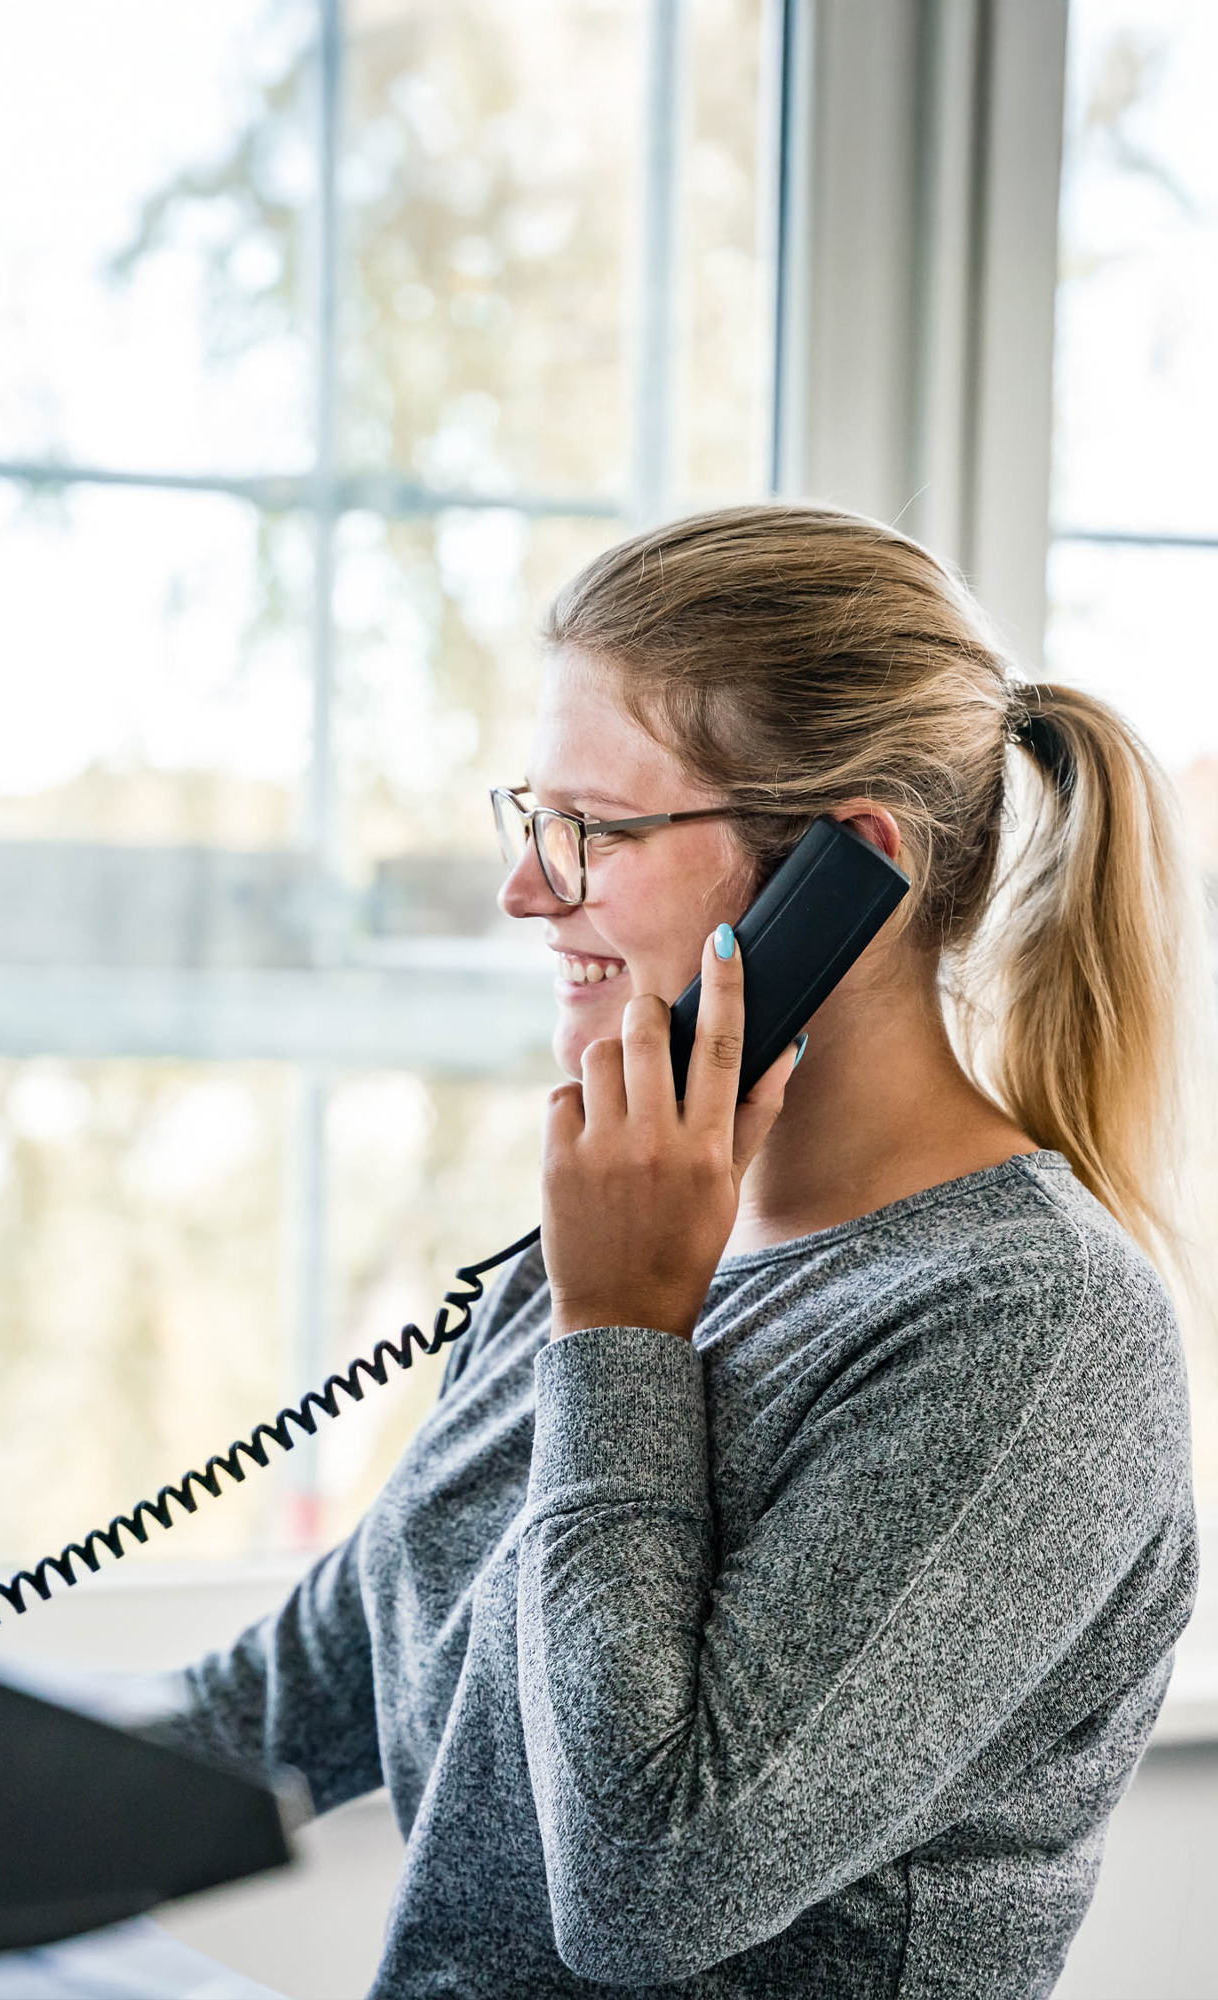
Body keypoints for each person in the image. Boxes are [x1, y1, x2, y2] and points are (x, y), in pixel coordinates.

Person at [164, 502, 1207, 1997]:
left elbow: (654, 1887)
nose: (530, 888)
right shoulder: (622, 1244)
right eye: (534, 817)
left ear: (840, 872)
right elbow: (286, 1704)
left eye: (595, 830)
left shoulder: (1032, 1336)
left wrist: (625, 1339)